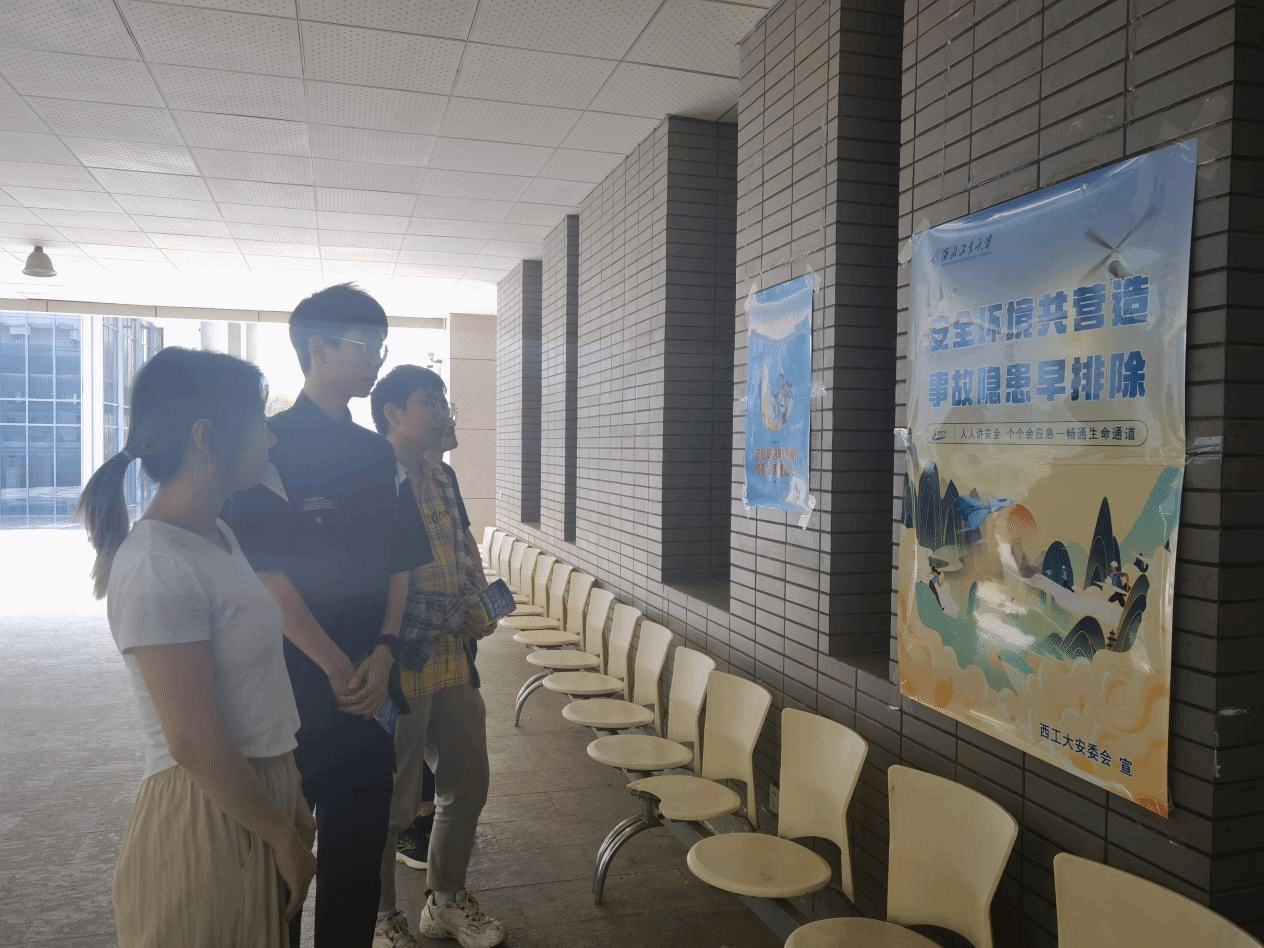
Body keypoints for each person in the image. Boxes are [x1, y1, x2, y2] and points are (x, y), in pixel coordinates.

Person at [77, 347, 315, 947]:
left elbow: (254, 697)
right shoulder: (156, 562)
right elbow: (191, 740)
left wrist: (289, 800)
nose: (270, 437)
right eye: (258, 420)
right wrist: (280, 833)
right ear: (206, 436)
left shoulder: (218, 534)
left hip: (252, 797)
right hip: (208, 812)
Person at [226, 284, 428, 948]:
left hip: (370, 686)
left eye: (381, 347)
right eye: (367, 346)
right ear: (318, 348)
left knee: (357, 857)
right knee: (283, 860)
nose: (376, 360)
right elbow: (267, 574)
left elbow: (401, 560)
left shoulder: (378, 454)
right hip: (291, 689)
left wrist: (386, 648)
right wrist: (338, 665)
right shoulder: (271, 449)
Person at [370, 365, 504, 948]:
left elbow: (462, 551)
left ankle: (444, 902)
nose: (443, 411)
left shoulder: (443, 476)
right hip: (398, 667)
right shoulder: (373, 477)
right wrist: (451, 611)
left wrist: (481, 603)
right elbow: (371, 581)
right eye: (429, 401)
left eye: (442, 400)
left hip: (453, 661)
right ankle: (380, 917)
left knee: (467, 783)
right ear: (393, 413)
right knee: (391, 805)